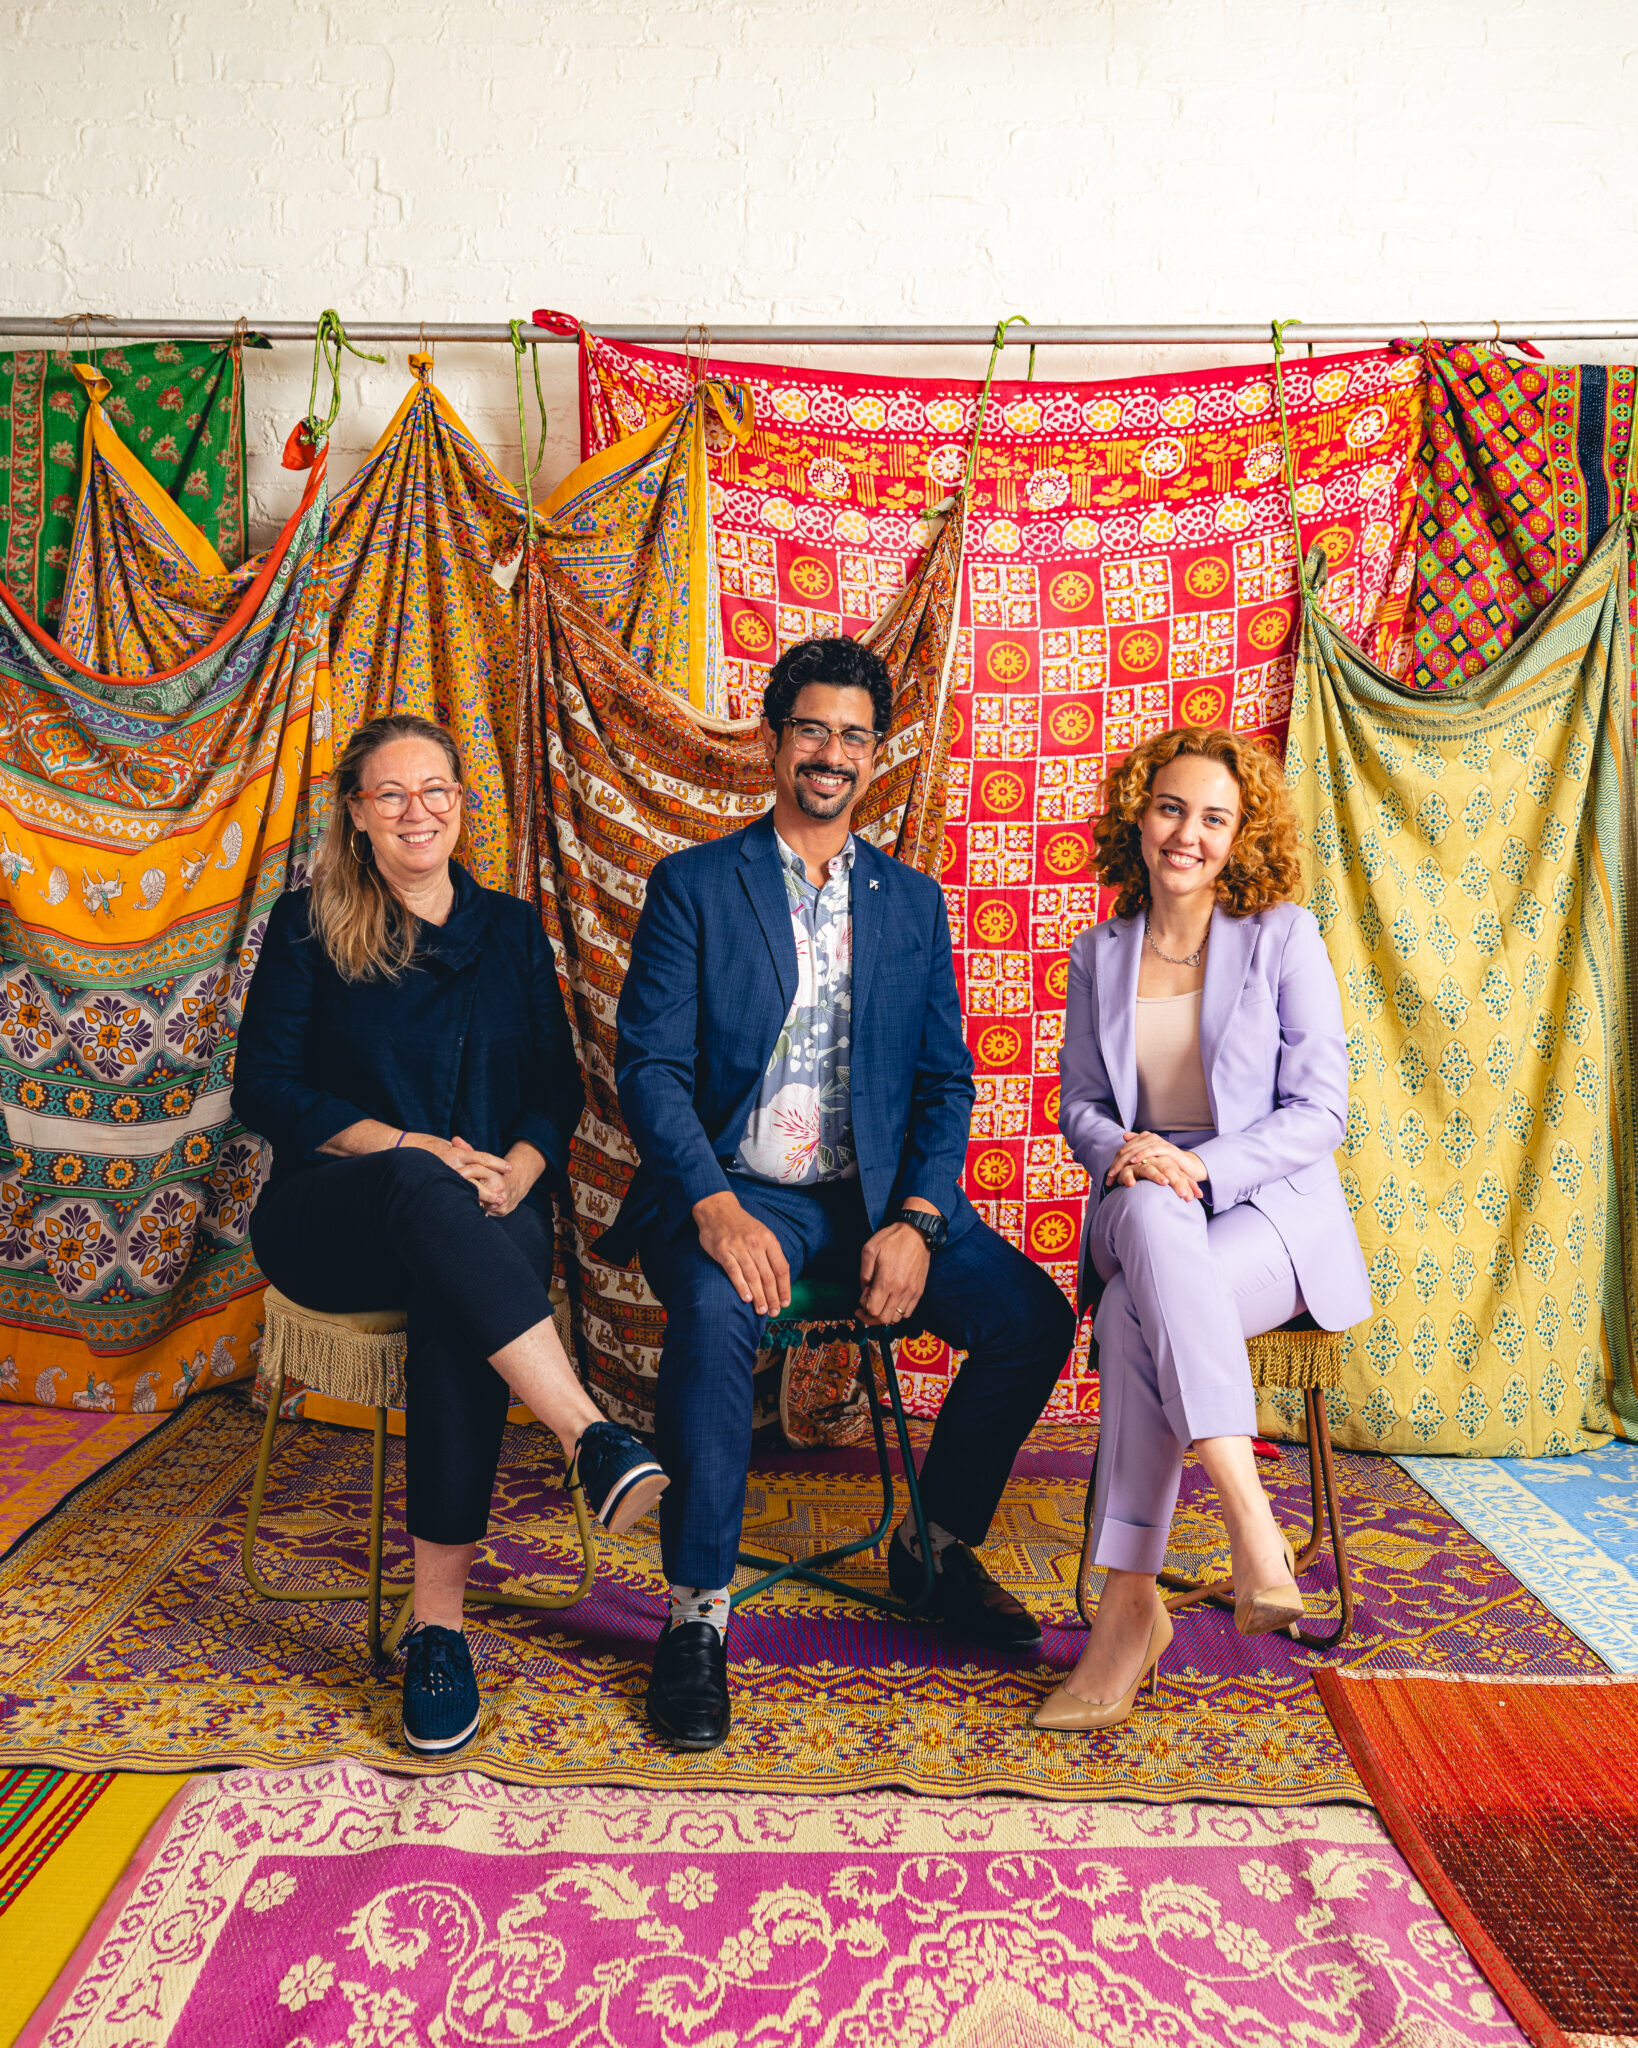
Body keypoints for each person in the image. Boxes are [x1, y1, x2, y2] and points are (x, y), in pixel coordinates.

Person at [602, 635, 1076, 1751]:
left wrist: (917, 1218)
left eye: (853, 736)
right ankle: (697, 1613)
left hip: (874, 1196)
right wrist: (712, 1204)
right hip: (739, 1189)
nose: (831, 752)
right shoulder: (694, 886)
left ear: (875, 755)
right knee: (715, 1310)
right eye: (811, 728)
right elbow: (650, 1068)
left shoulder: (910, 902)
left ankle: (934, 1544)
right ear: (775, 743)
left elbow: (944, 1080)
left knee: (1033, 1318)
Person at [233, 713, 668, 1760]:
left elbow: (554, 1086)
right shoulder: (307, 924)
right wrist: (414, 1146)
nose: (415, 810)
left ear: (462, 804)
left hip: (484, 1215)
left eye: (435, 789)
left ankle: (439, 1633)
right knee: (419, 1187)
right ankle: (589, 1433)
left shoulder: (509, 930)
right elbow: (265, 1089)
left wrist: (519, 1165)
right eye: (390, 793)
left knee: (457, 1288)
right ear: (356, 813)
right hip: (330, 1217)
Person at [1042, 725, 1369, 1732]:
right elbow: (1082, 1105)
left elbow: (1320, 1111)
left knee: (1134, 1311)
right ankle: (1249, 1514)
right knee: (1148, 1213)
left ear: (1240, 835)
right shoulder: (1099, 953)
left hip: (1267, 1215)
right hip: (1141, 1198)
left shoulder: (1283, 936)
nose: (1188, 833)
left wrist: (1201, 1165)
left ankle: (1129, 1613)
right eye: (1171, 808)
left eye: (1214, 818)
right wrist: (1131, 1151)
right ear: (1138, 816)